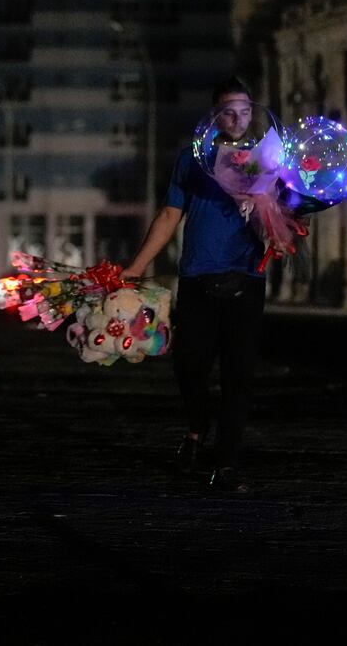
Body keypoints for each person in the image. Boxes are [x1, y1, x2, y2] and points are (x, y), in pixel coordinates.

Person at [121, 76, 267, 494]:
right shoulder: (193, 159)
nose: (237, 119)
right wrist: (136, 267)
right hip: (198, 278)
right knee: (189, 365)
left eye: (244, 111)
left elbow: (288, 218)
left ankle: (226, 464)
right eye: (229, 111)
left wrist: (269, 204)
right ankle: (199, 425)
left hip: (247, 278)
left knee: (239, 375)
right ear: (216, 115)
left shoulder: (267, 160)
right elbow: (169, 215)